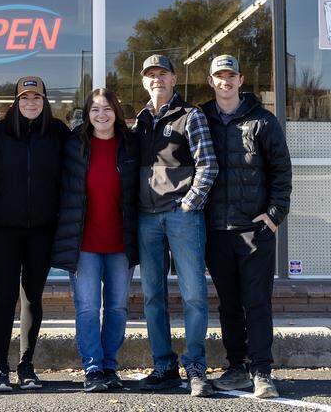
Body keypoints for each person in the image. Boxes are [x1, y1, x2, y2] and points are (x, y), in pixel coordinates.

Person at [201, 54, 292, 400]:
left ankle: (262, 371)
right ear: (211, 81)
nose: (225, 82)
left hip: (254, 230)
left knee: (256, 302)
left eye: (231, 76)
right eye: (219, 76)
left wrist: (273, 215)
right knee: (228, 303)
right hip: (215, 230)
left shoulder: (263, 122)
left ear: (240, 81)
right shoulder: (202, 120)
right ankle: (237, 366)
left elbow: (282, 172)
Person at [135, 54, 218, 397]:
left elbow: (208, 165)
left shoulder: (191, 116)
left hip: (182, 217)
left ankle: (195, 366)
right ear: (145, 81)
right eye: (150, 75)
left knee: (193, 295)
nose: (157, 79)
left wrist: (188, 204)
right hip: (147, 218)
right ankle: (163, 366)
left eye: (162, 74)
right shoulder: (140, 120)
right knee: (153, 295)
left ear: (173, 79)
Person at [52, 88, 139, 393]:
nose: (101, 115)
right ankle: (92, 368)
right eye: (95, 110)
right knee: (87, 308)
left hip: (120, 243)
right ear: (87, 115)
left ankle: (110, 366)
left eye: (107, 109)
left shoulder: (130, 145)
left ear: (116, 111)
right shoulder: (74, 145)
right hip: (84, 243)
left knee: (116, 308)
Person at [0, 76, 69, 393]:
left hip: (43, 230)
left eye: (36, 98)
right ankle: (0, 368)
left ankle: (26, 366)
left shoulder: (58, 133)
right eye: (24, 98)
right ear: (15, 102)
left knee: (32, 298)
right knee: (5, 298)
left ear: (45, 101)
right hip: (3, 230)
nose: (30, 103)